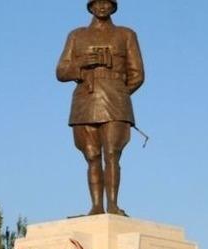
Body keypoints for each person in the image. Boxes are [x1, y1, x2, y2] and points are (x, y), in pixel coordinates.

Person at [56, 0, 144, 216]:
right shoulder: (76, 35)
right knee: (92, 155)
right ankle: (96, 206)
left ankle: (113, 204)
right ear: (91, 7)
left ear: (113, 6)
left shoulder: (126, 34)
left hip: (115, 101)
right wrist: (82, 64)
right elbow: (61, 71)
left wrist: (119, 91)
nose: (103, 7)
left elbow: (137, 74)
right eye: (98, 3)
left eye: (107, 3)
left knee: (112, 153)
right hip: (85, 101)